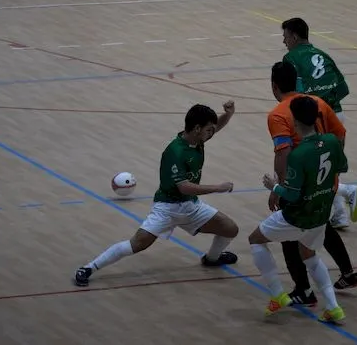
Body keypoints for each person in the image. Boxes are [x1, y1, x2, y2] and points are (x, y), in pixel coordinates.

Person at [74, 102, 240, 287]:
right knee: (137, 244)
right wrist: (218, 187)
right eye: (209, 130)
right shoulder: (175, 152)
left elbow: (216, 127)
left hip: (191, 206)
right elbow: (184, 187)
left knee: (230, 229)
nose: (212, 133)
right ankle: (89, 268)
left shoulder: (197, 139)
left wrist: (228, 115)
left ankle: (211, 259)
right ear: (197, 128)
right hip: (167, 208)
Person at [266, 61, 357, 305]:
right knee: (321, 224)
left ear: (274, 85)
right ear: (297, 80)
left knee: (289, 233)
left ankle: (303, 290)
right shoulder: (317, 102)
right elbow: (340, 134)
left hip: (300, 185)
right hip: (326, 181)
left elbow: (283, 153)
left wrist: (280, 188)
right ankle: (348, 273)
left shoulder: (278, 114)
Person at [249, 95, 347, 324]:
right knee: (309, 254)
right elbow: (342, 166)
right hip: (321, 213)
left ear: (294, 120)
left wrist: (273, 187)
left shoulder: (298, 154)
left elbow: (292, 195)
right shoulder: (332, 141)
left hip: (298, 216)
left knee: (255, 240)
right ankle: (333, 307)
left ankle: (277, 294)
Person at [280, 16, 357, 229]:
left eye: (285, 36)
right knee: (325, 167)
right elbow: (343, 88)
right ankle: (340, 215)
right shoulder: (323, 55)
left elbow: (296, 94)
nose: (284, 41)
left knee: (312, 167)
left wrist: (313, 109)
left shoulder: (291, 58)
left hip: (315, 118)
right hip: (336, 115)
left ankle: (347, 192)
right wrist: (328, 103)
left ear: (294, 36)